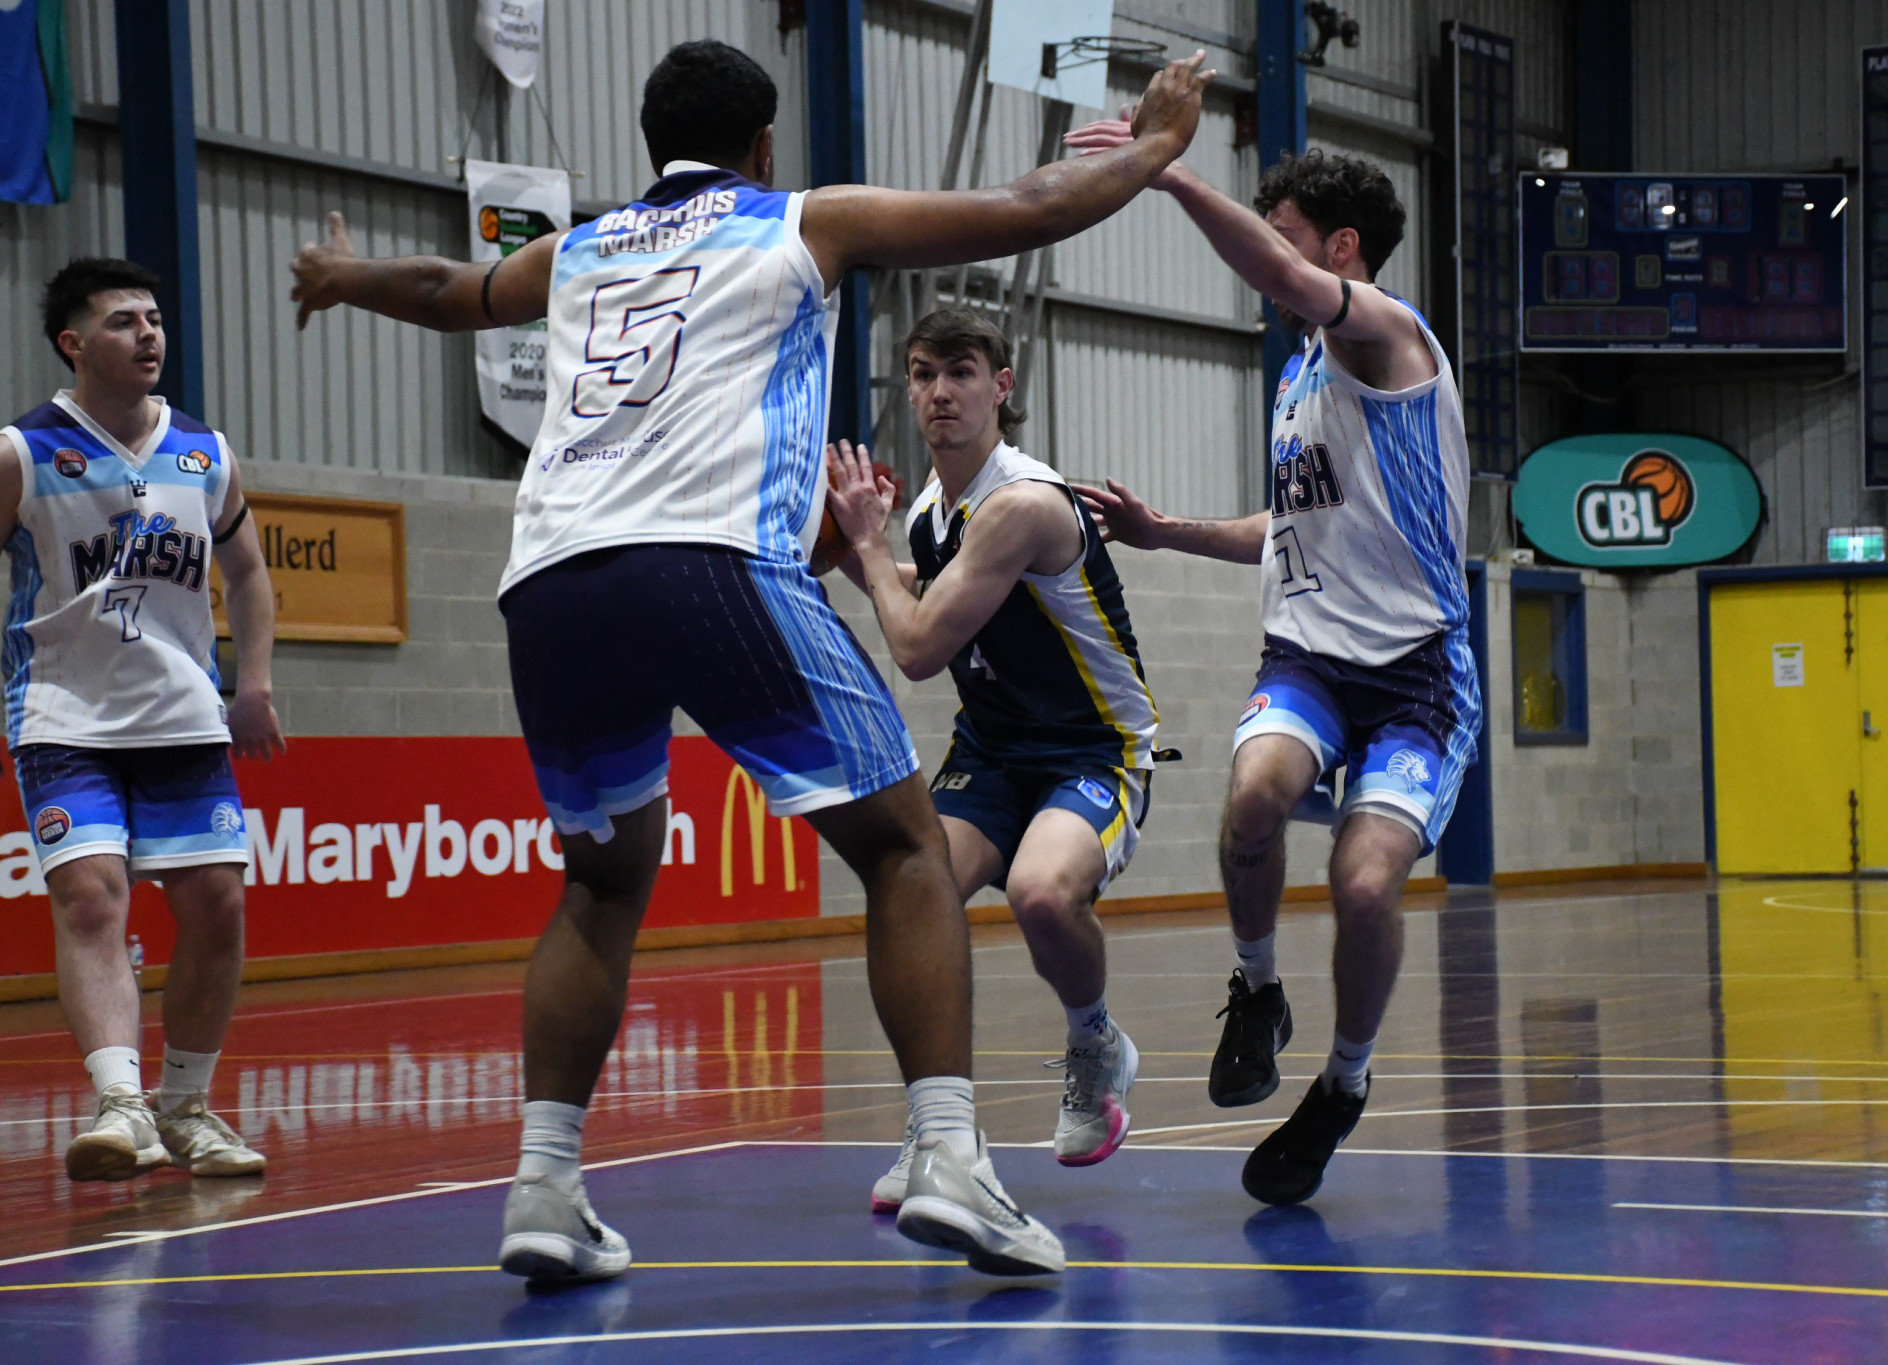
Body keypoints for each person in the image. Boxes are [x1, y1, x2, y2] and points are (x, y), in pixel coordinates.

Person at [289, 40, 1213, 1282]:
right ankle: (948, 1156)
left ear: (646, 142)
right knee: (901, 852)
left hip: (550, 578)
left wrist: (344, 278)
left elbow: (448, 286)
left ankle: (545, 1189)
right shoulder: (800, 219)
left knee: (601, 885)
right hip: (707, 561)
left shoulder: (582, 248)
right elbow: (1029, 205)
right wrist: (1155, 144)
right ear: (763, 144)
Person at [1062, 126, 1480, 1205]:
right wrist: (1168, 534)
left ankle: (1340, 1085)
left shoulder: (1385, 336)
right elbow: (1291, 529)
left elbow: (1276, 270)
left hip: (1415, 673)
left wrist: (1164, 168)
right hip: (1308, 656)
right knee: (1252, 796)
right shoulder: (1301, 376)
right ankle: (1256, 991)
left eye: (1284, 237)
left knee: (1363, 878)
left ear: (1340, 250)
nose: (1266, 264)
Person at [827, 309, 1157, 1205]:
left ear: (1001, 388)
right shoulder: (936, 510)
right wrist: (841, 542)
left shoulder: (1022, 504)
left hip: (1093, 747)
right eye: (923, 373)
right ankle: (940, 1125)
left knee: (1041, 894)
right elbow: (914, 593)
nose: (940, 392)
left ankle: (1095, 1041)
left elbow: (919, 648)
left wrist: (861, 542)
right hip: (993, 750)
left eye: (962, 372)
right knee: (912, 885)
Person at [1, 258, 284, 1184]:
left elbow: (245, 572)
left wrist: (256, 684)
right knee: (91, 898)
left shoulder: (205, 450)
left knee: (218, 906)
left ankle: (189, 1106)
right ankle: (121, 1105)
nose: (150, 334)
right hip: (62, 714)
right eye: (125, 322)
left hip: (183, 715)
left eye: (155, 318)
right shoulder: (24, 452)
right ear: (74, 344)